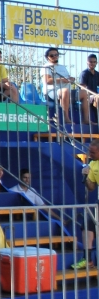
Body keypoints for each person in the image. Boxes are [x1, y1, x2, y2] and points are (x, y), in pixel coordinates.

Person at [43, 47, 87, 125]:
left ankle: (86, 120)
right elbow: (47, 81)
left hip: (66, 91)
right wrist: (62, 79)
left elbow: (67, 78)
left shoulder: (62, 67)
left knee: (84, 93)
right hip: (52, 92)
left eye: (56, 54)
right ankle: (66, 118)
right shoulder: (46, 67)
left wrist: (71, 79)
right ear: (47, 57)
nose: (54, 56)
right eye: (52, 55)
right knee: (65, 91)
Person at [77, 139, 99, 269]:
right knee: (87, 225)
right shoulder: (92, 164)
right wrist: (85, 176)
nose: (90, 154)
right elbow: (91, 187)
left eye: (93, 152)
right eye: (89, 151)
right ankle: (87, 259)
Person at [79, 54, 99, 125]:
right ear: (87, 62)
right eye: (91, 62)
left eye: (94, 62)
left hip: (95, 96)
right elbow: (82, 88)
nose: (92, 63)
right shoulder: (84, 73)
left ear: (96, 63)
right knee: (97, 98)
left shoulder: (97, 74)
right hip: (87, 96)